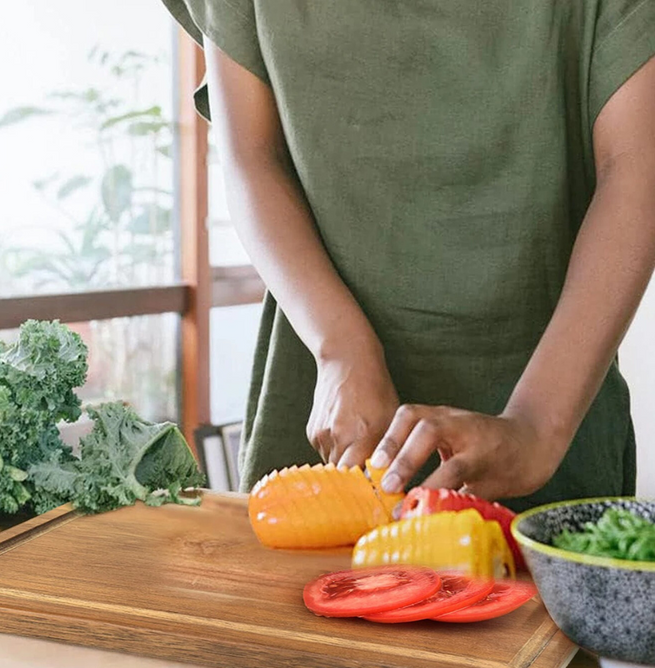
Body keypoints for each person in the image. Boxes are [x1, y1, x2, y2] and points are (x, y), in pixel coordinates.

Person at [161, 0, 655, 510]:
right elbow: (250, 157)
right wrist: (340, 347)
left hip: (556, 397)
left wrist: (535, 426)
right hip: (325, 393)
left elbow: (635, 168)